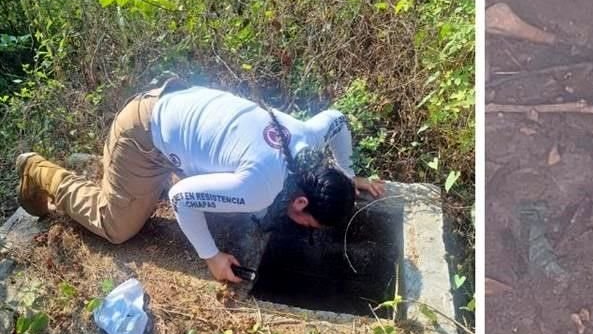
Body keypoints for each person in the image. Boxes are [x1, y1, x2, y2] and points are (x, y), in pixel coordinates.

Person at [15, 78, 385, 283]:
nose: (306, 228)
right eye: (309, 223)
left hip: (177, 103)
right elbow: (179, 198)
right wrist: (211, 257)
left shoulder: (307, 139)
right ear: (302, 203)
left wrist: (348, 177)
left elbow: (337, 119)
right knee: (117, 226)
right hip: (143, 137)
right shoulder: (260, 186)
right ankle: (39, 171)